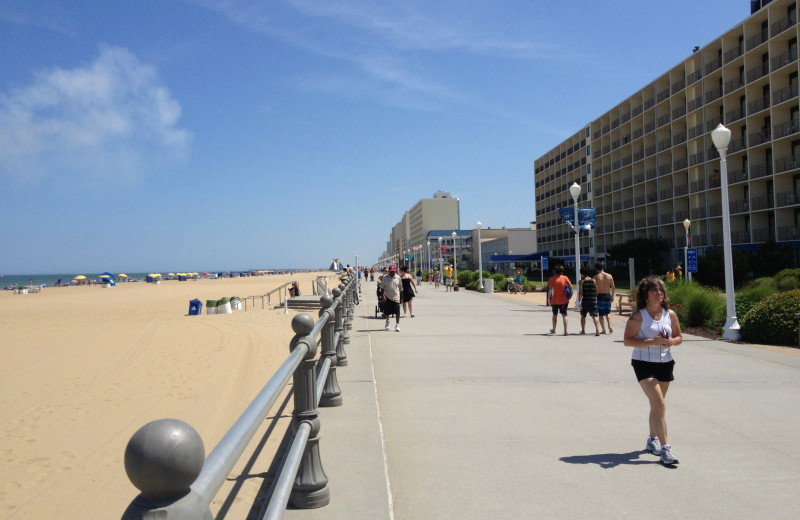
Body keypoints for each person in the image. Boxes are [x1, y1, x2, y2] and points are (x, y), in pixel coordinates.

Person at [623, 275, 683, 466]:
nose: (659, 293)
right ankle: (666, 449)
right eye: (654, 290)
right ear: (646, 294)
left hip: (665, 362)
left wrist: (672, 341)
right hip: (643, 363)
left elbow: (679, 336)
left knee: (657, 405)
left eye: (661, 290)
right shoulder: (638, 316)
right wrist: (651, 342)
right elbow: (627, 341)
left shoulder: (670, 314)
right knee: (660, 404)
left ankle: (652, 439)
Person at [548, 265, 572, 335]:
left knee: (554, 315)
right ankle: (566, 330)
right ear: (562, 271)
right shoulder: (565, 278)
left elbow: (550, 289)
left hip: (555, 300)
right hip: (564, 300)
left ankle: (554, 329)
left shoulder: (552, 279)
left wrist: (549, 299)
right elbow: (570, 286)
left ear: (555, 271)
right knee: (564, 315)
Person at [594, 263, 616, 334]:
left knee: (600, 314)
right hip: (607, 295)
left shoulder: (596, 277)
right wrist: (612, 296)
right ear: (603, 267)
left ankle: (603, 329)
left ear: (596, 269)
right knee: (608, 313)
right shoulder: (609, 276)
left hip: (600, 296)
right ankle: (609, 325)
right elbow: (613, 287)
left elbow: (594, 288)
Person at [379, 265, 403, 332]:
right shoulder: (385, 278)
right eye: (391, 271)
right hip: (387, 297)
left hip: (396, 297)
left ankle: (397, 325)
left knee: (397, 312)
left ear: (395, 271)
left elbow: (401, 288)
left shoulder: (398, 277)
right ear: (389, 271)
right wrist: (382, 296)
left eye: (393, 271)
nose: (392, 273)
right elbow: (382, 287)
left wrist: (401, 297)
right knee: (387, 312)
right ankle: (387, 321)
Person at [578, 268, 601, 336]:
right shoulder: (593, 280)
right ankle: (597, 330)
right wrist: (595, 297)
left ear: (582, 274)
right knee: (595, 316)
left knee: (583, 315)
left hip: (585, 300)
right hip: (593, 300)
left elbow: (580, 292)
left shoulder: (581, 282)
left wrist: (579, 301)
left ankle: (583, 330)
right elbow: (597, 290)